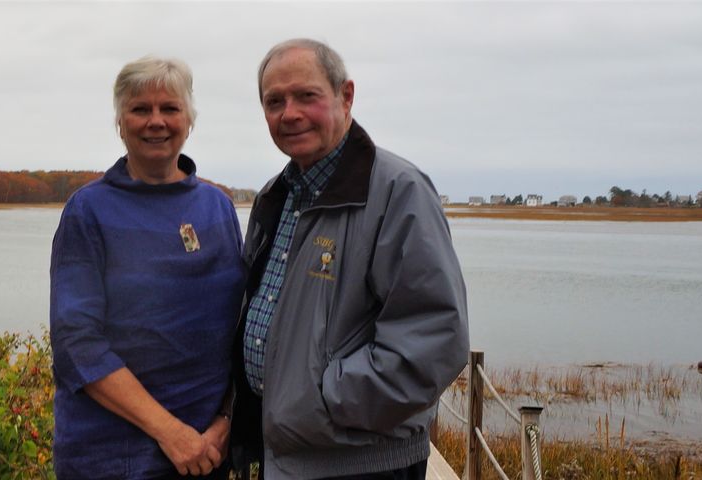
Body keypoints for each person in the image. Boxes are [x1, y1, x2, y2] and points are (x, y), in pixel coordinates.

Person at [230, 39, 470, 479]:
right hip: (283, 457)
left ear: (346, 96)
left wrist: (324, 400)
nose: (289, 113)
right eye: (274, 101)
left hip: (358, 463)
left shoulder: (398, 191)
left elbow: (433, 339)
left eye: (306, 96)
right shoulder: (275, 196)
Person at [50, 56, 245, 479]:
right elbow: (76, 345)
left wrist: (226, 421)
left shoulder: (218, 208)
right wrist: (171, 433)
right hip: (109, 457)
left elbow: (240, 329)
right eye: (140, 109)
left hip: (206, 452)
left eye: (170, 108)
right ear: (120, 123)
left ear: (189, 120)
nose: (156, 121)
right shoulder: (89, 211)